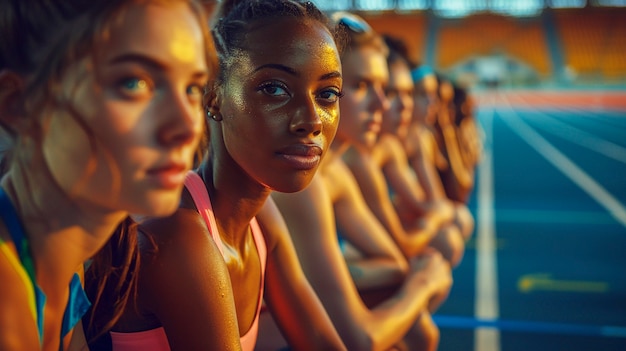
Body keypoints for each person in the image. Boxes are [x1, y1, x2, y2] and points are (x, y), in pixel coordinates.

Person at [84, 1, 347, 350]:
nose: (311, 120)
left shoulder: (261, 219)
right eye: (274, 89)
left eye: (327, 94)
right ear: (213, 95)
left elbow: (321, 342)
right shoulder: (180, 236)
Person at [0, 0, 210, 350]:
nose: (186, 126)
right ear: (21, 105)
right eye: (134, 83)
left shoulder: (62, 264)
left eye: (192, 88)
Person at [269, 12, 452, 351]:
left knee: (412, 319)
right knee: (417, 328)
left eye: (384, 88)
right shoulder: (302, 183)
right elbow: (359, 340)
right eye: (361, 86)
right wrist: (423, 283)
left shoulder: (336, 171)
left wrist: (334, 273)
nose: (382, 104)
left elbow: (394, 261)